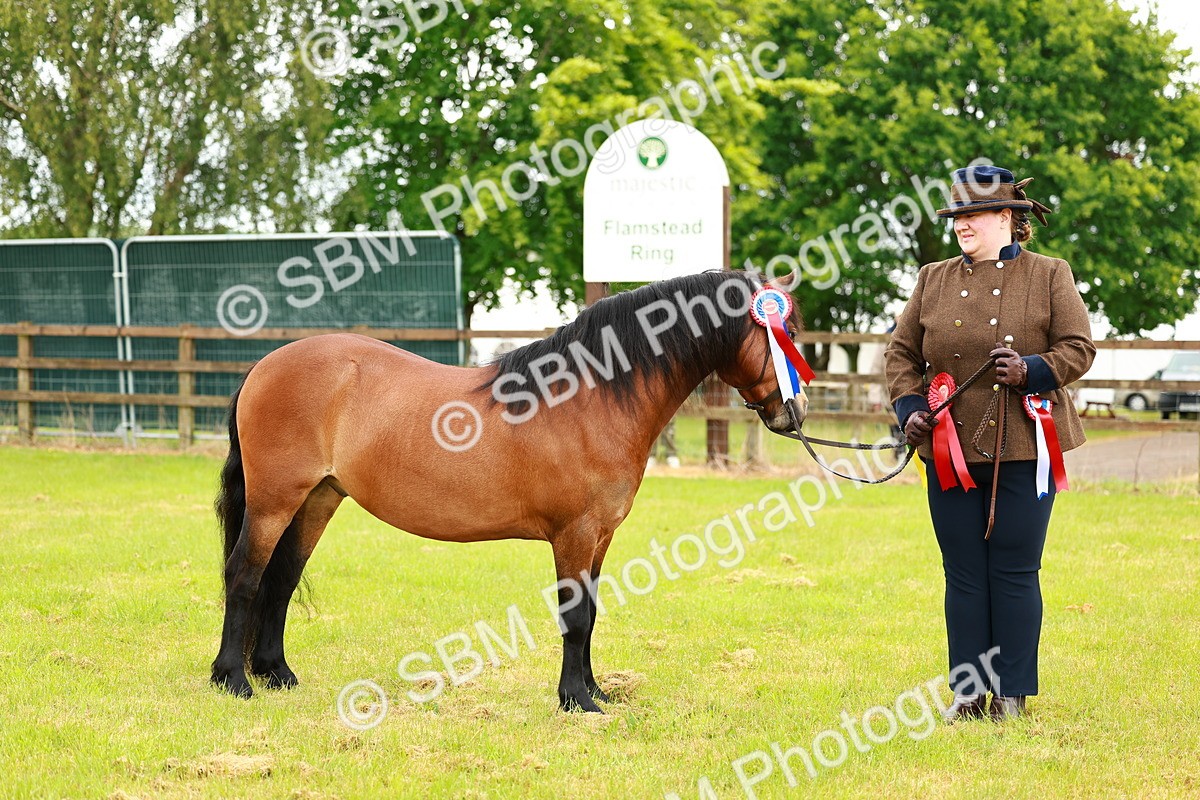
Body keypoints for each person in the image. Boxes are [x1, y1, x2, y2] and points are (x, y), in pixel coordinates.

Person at [884, 165, 1096, 722]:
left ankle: (1012, 693)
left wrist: (1031, 369)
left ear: (1007, 218)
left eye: (972, 215)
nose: (961, 225)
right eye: (956, 216)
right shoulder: (932, 277)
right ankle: (969, 692)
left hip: (1026, 446)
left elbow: (1078, 348)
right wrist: (910, 410)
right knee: (963, 573)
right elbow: (901, 354)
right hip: (948, 450)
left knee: (1014, 569)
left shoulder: (1050, 274)